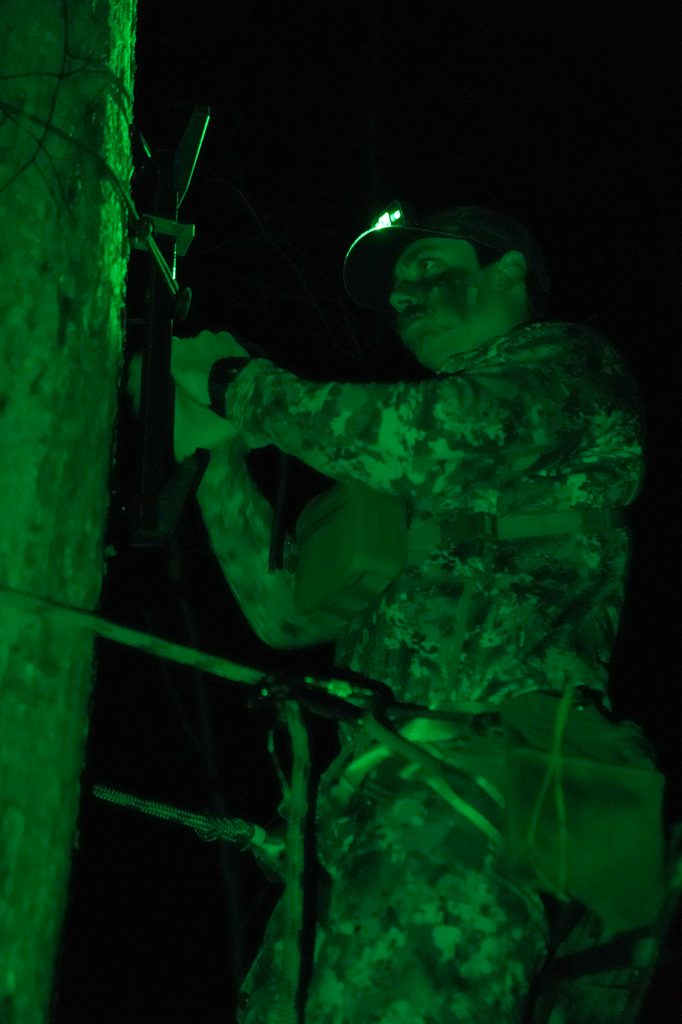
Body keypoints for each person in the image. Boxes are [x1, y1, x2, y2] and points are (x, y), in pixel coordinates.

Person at [169, 204, 663, 1023]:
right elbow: (286, 618)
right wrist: (217, 456)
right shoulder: (407, 480)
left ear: (510, 271)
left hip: (472, 810)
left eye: (430, 267)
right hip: (365, 828)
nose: (407, 296)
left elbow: (420, 437)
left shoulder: (569, 372)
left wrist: (234, 383)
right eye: (396, 291)